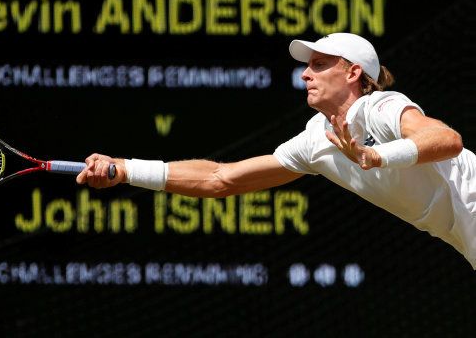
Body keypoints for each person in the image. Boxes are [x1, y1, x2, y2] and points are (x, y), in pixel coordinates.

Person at [76, 32, 476, 270]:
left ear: (353, 73)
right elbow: (221, 179)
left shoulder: (378, 106)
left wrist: (378, 156)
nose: (305, 73)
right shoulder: (314, 141)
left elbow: (446, 141)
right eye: (308, 66)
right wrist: (127, 168)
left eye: (319, 64)